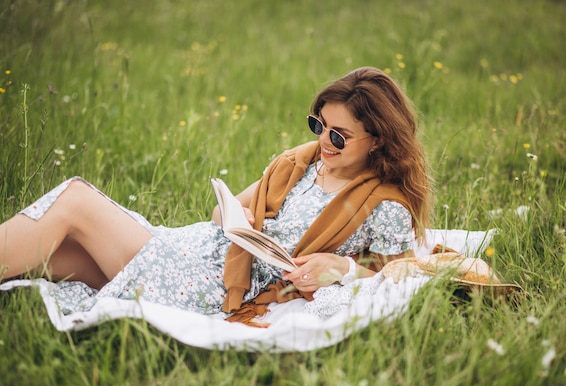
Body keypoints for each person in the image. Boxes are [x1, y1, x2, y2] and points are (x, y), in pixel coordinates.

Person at [0, 67, 432, 321]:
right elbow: (221, 213)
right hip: (199, 250)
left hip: (214, 285)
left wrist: (340, 266)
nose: (323, 141)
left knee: (76, 200)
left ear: (377, 140)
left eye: (339, 136)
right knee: (51, 253)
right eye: (318, 125)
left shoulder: (386, 205)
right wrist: (238, 223)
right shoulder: (301, 161)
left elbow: (395, 277)